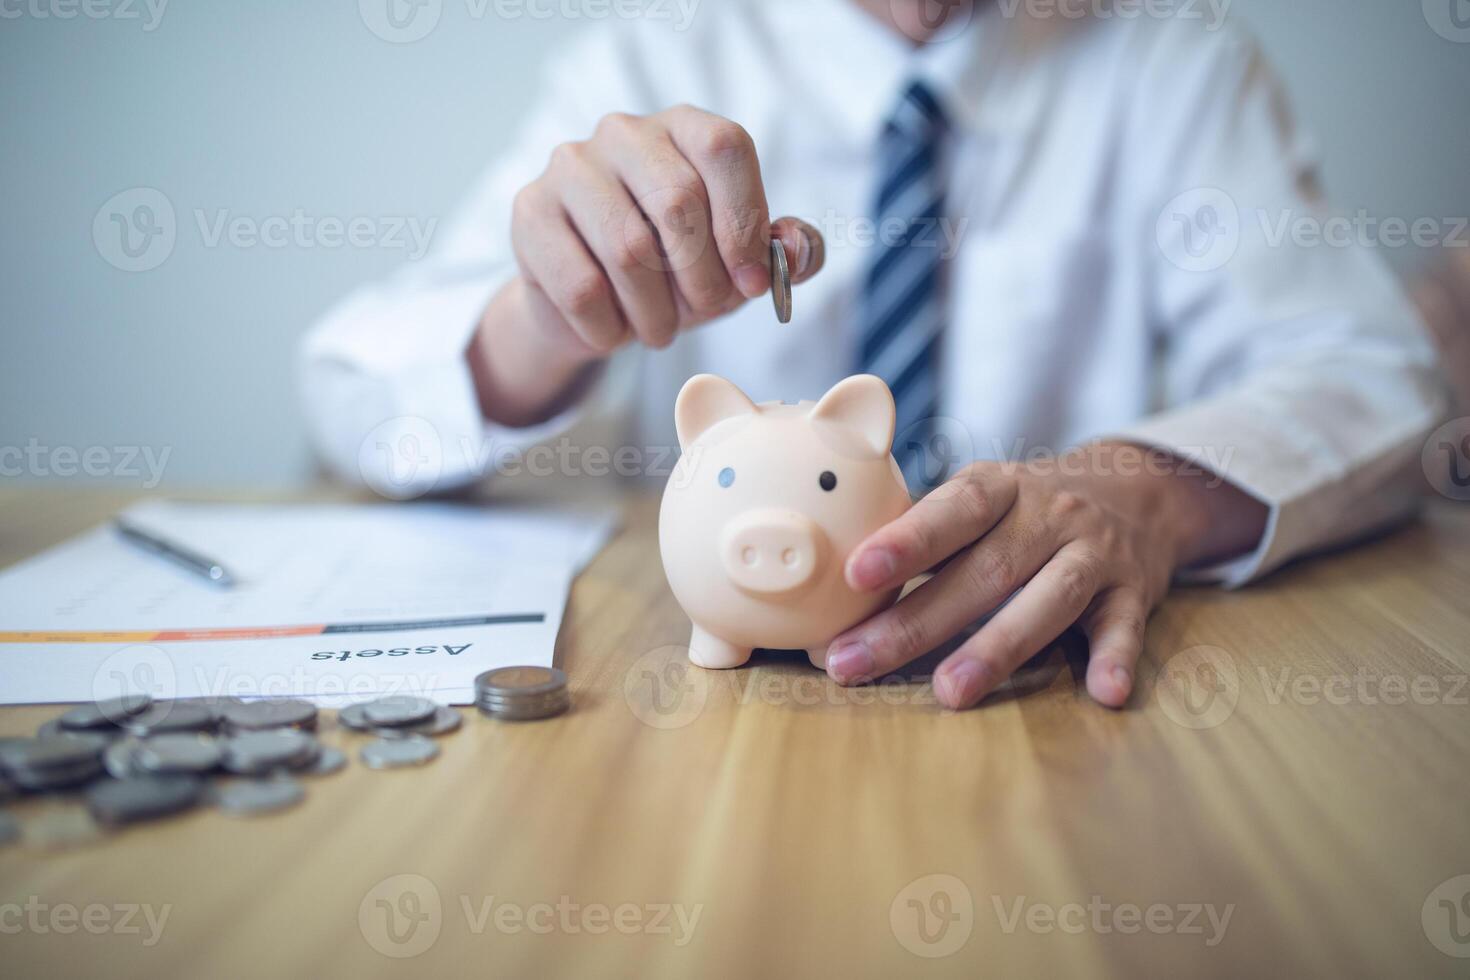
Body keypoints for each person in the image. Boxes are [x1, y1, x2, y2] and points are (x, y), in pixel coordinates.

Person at [299, 0, 1447, 711]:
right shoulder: (650, 57)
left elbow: (1378, 379)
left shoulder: (1173, 63)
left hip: (1030, 697)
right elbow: (349, 393)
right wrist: (549, 317)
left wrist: (1144, 491)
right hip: (705, 719)